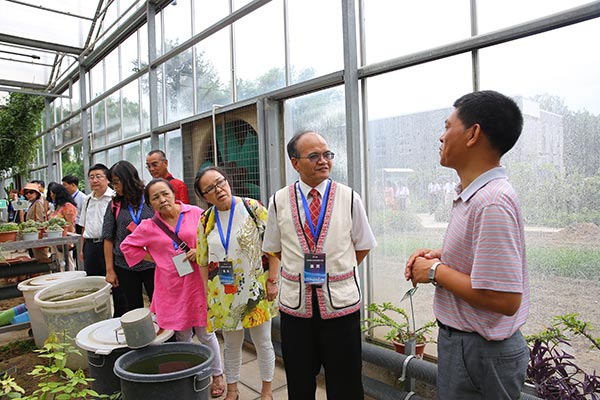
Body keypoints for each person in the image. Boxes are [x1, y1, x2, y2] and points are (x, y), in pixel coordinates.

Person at [405, 90, 530, 400]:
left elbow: (505, 298)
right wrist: (443, 256)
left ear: (473, 133)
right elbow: (487, 265)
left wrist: (435, 271)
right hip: (470, 349)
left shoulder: (492, 201)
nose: (441, 136)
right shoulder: (475, 195)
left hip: (481, 354)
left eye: (448, 126)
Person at [262, 130, 377, 400]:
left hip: (340, 307)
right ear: (295, 163)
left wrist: (338, 270)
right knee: (299, 380)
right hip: (296, 309)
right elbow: (274, 248)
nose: (323, 161)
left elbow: (362, 245)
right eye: (314, 156)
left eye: (327, 154)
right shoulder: (279, 200)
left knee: (346, 381)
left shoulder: (349, 197)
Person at [120, 178, 225, 397]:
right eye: (155, 197)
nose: (162, 200)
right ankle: (187, 376)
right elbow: (127, 246)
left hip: (198, 281)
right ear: (150, 204)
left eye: (165, 194)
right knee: (182, 334)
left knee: (206, 332)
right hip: (172, 286)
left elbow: (214, 237)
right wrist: (158, 258)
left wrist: (199, 252)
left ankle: (217, 375)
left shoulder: (195, 213)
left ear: (173, 193)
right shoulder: (149, 226)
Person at [195, 166, 277, 400]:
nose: (218, 189)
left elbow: (273, 248)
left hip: (256, 290)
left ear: (228, 181)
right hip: (224, 294)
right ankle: (233, 389)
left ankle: (267, 391)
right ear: (204, 196)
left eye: (220, 182)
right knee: (231, 345)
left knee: (263, 343)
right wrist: (206, 296)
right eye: (209, 188)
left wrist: (272, 280)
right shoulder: (205, 221)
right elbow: (202, 261)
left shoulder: (253, 209)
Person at [102, 161, 155, 317]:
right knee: (133, 306)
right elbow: (108, 238)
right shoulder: (115, 205)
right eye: (113, 183)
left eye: (117, 182)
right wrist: (110, 270)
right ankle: (139, 338)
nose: (115, 187)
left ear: (128, 179)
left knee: (159, 303)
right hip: (125, 265)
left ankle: (165, 338)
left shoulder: (150, 199)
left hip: (153, 263)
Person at [79, 164, 114, 277]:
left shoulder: (114, 198)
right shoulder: (87, 200)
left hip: (108, 244)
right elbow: (84, 225)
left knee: (111, 278)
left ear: (108, 179)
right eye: (91, 177)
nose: (94, 180)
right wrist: (82, 249)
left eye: (99, 176)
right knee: (92, 279)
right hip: (90, 246)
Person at [47, 184, 77, 271]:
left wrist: (69, 241)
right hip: (56, 239)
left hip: (64, 239)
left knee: (67, 261)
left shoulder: (68, 207)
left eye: (52, 193)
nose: (51, 195)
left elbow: (70, 225)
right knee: (59, 261)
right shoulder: (59, 206)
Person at [22, 182, 50, 262]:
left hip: (37, 236)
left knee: (41, 258)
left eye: (31, 192)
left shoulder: (37, 204)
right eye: (26, 193)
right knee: (37, 257)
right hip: (33, 235)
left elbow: (39, 221)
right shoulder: (32, 203)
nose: (28, 194)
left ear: (37, 193)